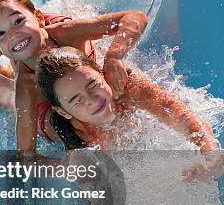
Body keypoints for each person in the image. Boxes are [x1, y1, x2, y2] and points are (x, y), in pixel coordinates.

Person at [0, 0, 148, 153]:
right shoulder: (27, 85)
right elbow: (26, 157)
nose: (13, 34)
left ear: (39, 18)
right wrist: (64, 166)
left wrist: (114, 56)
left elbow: (134, 17)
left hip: (42, 41)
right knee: (6, 94)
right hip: (45, 100)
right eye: (1, 33)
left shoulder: (65, 33)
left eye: (17, 21)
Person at [36, 46, 223, 182]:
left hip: (65, 94)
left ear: (102, 73)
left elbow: (180, 115)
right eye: (77, 100)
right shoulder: (77, 135)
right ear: (65, 111)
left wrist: (209, 153)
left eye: (92, 84)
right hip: (47, 120)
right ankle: (7, 84)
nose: (92, 100)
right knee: (17, 100)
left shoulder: (129, 85)